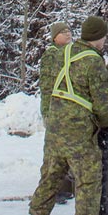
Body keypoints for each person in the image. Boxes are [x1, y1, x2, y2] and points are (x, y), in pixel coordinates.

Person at [25, 15, 108, 215]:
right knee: (88, 180)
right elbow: (102, 101)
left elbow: (48, 85)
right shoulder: (93, 61)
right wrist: (106, 125)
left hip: (56, 126)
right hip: (78, 130)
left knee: (50, 178)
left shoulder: (63, 53)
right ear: (99, 38)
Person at [38, 21, 74, 204]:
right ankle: (50, 191)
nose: (68, 34)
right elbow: (46, 86)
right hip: (55, 110)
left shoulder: (69, 54)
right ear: (54, 37)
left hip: (66, 111)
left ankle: (63, 187)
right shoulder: (51, 56)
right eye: (63, 32)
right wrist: (46, 112)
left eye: (69, 31)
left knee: (66, 151)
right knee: (53, 154)